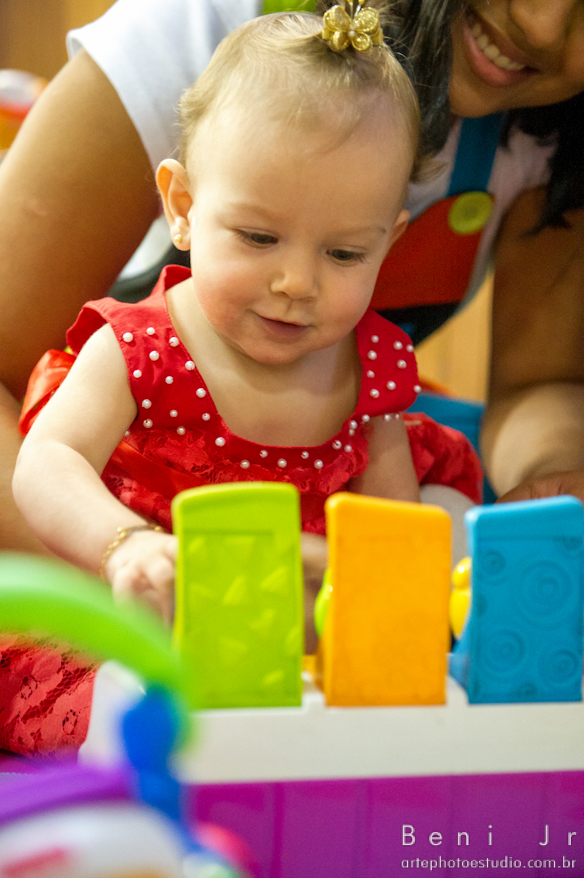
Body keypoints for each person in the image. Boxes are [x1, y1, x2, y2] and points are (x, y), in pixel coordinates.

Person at [13, 6, 480, 629]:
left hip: (301, 637)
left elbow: (394, 533)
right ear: (183, 207)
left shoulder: (370, 370)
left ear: (387, 244)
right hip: (151, 620)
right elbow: (48, 460)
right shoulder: (139, 348)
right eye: (259, 238)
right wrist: (124, 546)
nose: (297, 283)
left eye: (344, 254)